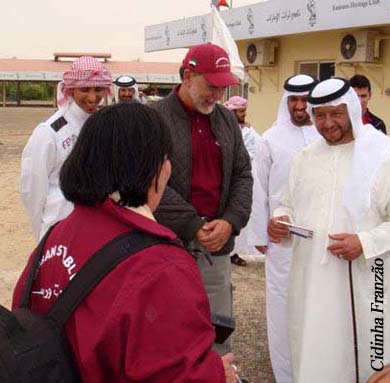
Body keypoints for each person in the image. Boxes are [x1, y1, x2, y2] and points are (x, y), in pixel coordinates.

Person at [13, 103, 237, 383]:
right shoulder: (160, 265)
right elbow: (178, 375)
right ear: (154, 169)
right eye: (167, 159)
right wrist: (218, 373)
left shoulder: (53, 237)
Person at [268, 78, 390, 382]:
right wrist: (281, 220)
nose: (327, 123)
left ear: (351, 110)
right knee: (312, 355)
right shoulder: (305, 158)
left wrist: (364, 241)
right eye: (320, 115)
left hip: (365, 282)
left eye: (336, 114)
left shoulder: (380, 155)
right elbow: (288, 203)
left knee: (363, 358)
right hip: (309, 283)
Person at [153, 43, 253, 355]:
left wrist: (231, 222)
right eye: (211, 86)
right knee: (168, 330)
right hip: (167, 246)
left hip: (216, 247)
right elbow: (148, 181)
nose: (217, 96)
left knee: (217, 333)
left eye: (223, 88)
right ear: (187, 76)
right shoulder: (153, 119)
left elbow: (243, 175)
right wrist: (192, 224)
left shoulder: (226, 121)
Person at [246, 74, 319, 383]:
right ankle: (286, 375)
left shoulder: (324, 134)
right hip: (282, 240)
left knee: (317, 304)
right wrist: (259, 236)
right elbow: (258, 189)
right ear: (286, 102)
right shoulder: (270, 139)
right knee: (282, 309)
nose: (300, 106)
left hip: (320, 238)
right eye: (294, 100)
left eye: (305, 100)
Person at [20, 56, 112, 240]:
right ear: (70, 90)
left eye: (98, 89)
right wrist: (43, 233)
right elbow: (32, 189)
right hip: (60, 228)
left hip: (96, 228)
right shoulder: (49, 132)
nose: (93, 97)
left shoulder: (105, 126)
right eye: (84, 89)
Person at [224, 95, 261, 266]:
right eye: (239, 111)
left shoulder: (249, 132)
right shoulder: (223, 128)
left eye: (244, 111)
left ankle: (235, 252)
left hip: (242, 177)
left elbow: (256, 151)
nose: (243, 114)